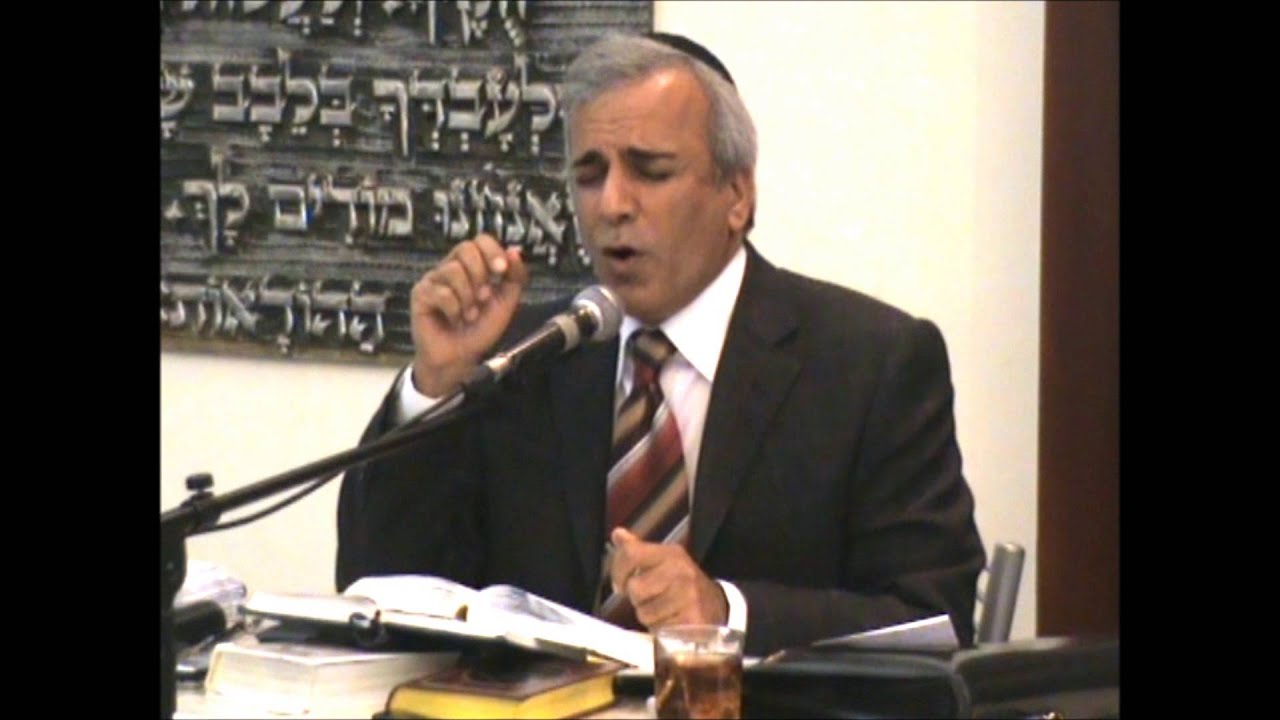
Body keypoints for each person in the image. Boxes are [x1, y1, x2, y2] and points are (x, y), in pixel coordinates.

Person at [336, 32, 986, 656]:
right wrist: (436, 385)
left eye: (650, 171)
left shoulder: (870, 364)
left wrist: (727, 613)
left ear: (737, 195)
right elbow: (377, 590)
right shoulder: (522, 358)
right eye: (590, 175)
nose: (612, 204)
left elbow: (936, 618)